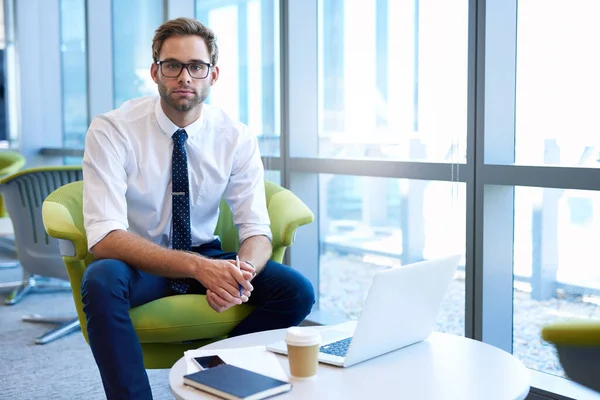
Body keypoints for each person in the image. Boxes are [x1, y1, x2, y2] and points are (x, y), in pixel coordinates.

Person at [81, 17, 315, 400]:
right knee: (101, 279)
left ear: (213, 73)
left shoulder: (235, 137)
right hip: (142, 263)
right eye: (172, 65)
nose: (184, 77)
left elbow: (256, 230)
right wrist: (199, 268)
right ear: (155, 71)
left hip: (206, 252)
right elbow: (105, 238)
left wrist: (238, 277)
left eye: (196, 66)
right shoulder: (113, 129)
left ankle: (214, 375)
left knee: (296, 291)